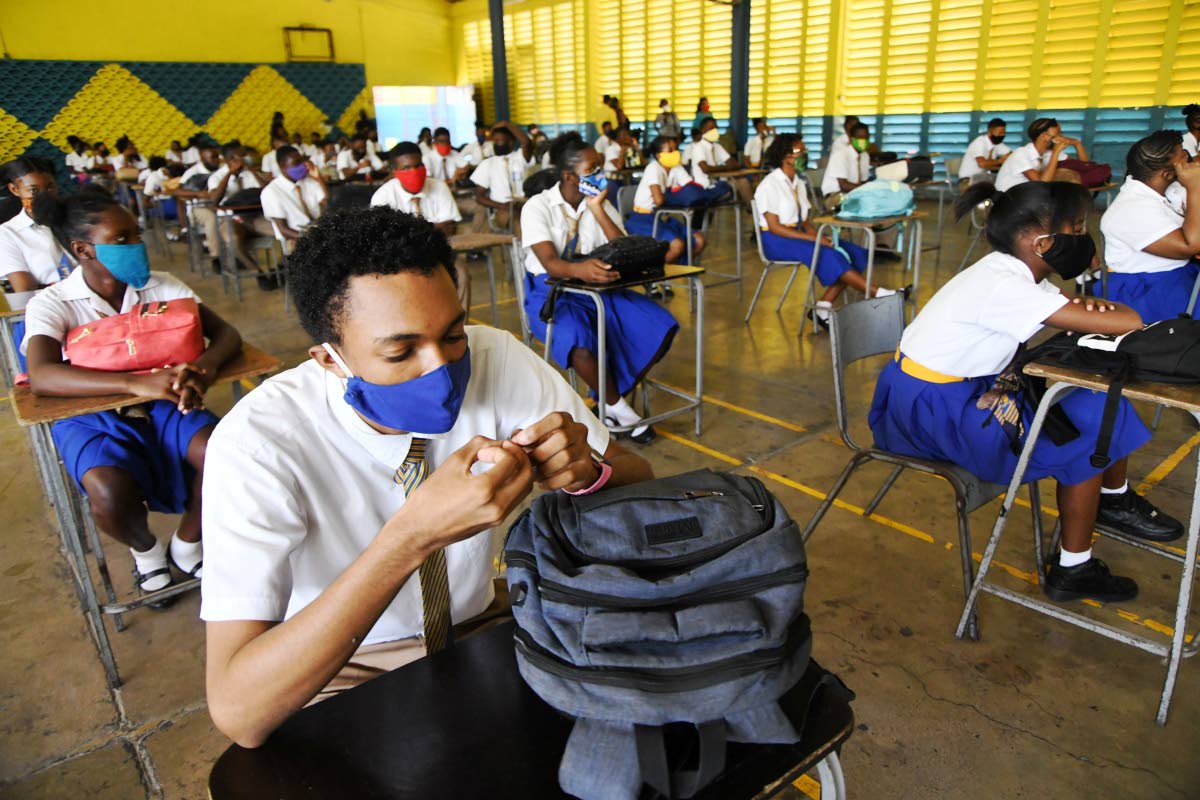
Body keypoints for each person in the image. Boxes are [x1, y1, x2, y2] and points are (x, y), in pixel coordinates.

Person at [201, 207, 653, 746]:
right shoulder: (259, 444)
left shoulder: (497, 359)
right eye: (400, 350)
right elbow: (238, 712)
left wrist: (587, 472)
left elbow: (636, 477)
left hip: (481, 626)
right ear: (328, 359)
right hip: (340, 665)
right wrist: (411, 537)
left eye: (454, 334)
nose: (441, 368)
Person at [871, 180, 1182, 604]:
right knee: (1091, 423)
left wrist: (1082, 309)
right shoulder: (1007, 286)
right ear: (1043, 243)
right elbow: (1128, 320)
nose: (1084, 239)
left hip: (941, 394)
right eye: (1076, 228)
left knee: (1099, 404)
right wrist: (1093, 310)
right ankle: (1075, 567)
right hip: (932, 414)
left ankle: (1112, 499)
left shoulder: (1014, 271)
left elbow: (1077, 309)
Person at [25, 188, 242, 600]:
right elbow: (42, 375)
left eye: (137, 235)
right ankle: (145, 551)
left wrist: (204, 368)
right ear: (83, 249)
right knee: (107, 490)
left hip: (166, 404)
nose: (137, 245)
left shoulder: (163, 287)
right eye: (122, 239)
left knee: (224, 455)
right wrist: (133, 383)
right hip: (93, 413)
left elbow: (227, 335)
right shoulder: (54, 303)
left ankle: (189, 541)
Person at [520, 133, 679, 443]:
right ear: (569, 175)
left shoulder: (598, 202)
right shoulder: (537, 207)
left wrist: (597, 209)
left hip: (598, 289)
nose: (600, 174)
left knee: (658, 324)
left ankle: (607, 398)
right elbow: (550, 262)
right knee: (578, 338)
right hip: (551, 292)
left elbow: (624, 246)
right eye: (593, 168)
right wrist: (580, 269)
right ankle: (621, 409)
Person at [754, 135, 906, 328]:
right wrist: (813, 240)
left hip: (797, 233)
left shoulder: (798, 183)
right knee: (827, 253)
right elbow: (775, 227)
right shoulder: (769, 184)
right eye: (800, 152)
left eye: (805, 150)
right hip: (776, 240)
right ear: (785, 157)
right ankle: (880, 294)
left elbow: (804, 221)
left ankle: (823, 307)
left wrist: (817, 236)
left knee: (853, 251)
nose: (805, 155)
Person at [1099, 130, 1200, 323]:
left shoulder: (1168, 189)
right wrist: (1196, 186)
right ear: (1167, 173)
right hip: (1148, 290)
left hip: (1176, 275)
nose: (1191, 162)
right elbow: (1191, 246)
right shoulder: (1130, 210)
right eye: (1185, 158)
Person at [371, 142, 469, 309]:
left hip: (438, 253)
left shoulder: (439, 186)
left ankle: (458, 330)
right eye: (406, 168)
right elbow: (387, 240)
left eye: (418, 165)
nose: (414, 172)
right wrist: (432, 227)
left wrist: (408, 232)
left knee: (461, 275)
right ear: (395, 171)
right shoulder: (383, 197)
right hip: (400, 259)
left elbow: (450, 228)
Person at [205, 143, 280, 290]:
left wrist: (252, 170)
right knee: (233, 239)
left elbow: (269, 192)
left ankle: (280, 268)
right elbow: (214, 200)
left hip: (255, 218)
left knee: (282, 230)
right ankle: (257, 272)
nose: (247, 157)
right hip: (230, 220)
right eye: (243, 154)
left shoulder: (250, 173)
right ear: (232, 159)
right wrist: (229, 174)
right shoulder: (216, 177)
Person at [626, 136, 705, 265]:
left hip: (663, 216)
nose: (675, 153)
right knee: (677, 245)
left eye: (676, 149)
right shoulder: (653, 168)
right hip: (643, 218)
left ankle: (680, 269)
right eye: (670, 150)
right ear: (659, 155)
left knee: (699, 240)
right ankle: (655, 276)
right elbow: (658, 200)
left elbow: (691, 189)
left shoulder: (676, 168)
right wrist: (680, 196)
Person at [0, 157, 74, 292]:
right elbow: (25, 290)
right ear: (14, 189)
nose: (45, 196)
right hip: (50, 302)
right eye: (33, 190)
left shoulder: (75, 217)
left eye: (50, 187)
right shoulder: (8, 233)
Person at [469, 124, 532, 233]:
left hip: (524, 205)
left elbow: (526, 142)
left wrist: (507, 124)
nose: (496, 144)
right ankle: (525, 250)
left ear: (511, 142)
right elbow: (479, 197)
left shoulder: (519, 157)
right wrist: (501, 206)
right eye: (495, 141)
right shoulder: (487, 163)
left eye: (499, 140)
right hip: (502, 210)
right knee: (519, 222)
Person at [261, 146, 328, 249]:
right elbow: (283, 229)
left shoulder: (309, 181)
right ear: (283, 167)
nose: (303, 165)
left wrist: (318, 178)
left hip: (318, 230)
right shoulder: (271, 192)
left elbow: (328, 203)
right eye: (296, 163)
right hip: (296, 237)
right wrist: (310, 237)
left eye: (302, 161)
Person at [995, 118, 1087, 192]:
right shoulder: (1021, 153)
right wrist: (1056, 152)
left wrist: (1077, 144)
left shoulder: (1048, 153)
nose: (1060, 138)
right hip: (1007, 199)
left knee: (1070, 175)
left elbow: (1084, 165)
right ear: (1044, 137)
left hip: (1026, 195)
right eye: (1056, 136)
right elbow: (1041, 183)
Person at [689, 117, 742, 204]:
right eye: (711, 128)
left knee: (742, 183)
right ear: (702, 130)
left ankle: (753, 210)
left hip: (716, 183)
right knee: (740, 185)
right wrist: (726, 168)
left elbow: (735, 164)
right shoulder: (698, 147)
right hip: (705, 187)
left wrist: (723, 167)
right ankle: (753, 210)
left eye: (716, 128)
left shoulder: (717, 147)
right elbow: (705, 169)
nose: (715, 131)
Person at [821, 121, 871, 200]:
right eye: (860, 138)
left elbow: (863, 181)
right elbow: (843, 185)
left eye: (866, 138)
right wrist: (867, 190)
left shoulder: (865, 156)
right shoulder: (840, 155)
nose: (864, 141)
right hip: (835, 195)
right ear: (851, 139)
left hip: (854, 193)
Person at [959, 118, 1012, 184]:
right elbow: (982, 164)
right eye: (999, 133)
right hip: (968, 180)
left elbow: (1011, 155)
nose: (1002, 135)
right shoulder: (979, 143)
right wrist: (999, 161)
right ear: (990, 132)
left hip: (982, 178)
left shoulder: (997, 144)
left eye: (1004, 133)